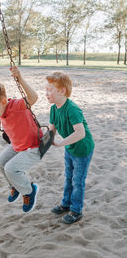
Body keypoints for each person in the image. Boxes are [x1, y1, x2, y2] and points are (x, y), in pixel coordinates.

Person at [0, 66, 42, 213]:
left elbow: (34, 98)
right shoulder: (0, 110)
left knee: (11, 168)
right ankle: (15, 186)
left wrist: (20, 79)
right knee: (0, 163)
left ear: (4, 101)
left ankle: (29, 190)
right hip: (18, 145)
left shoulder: (15, 106)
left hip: (34, 146)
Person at [45, 72, 94, 224]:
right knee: (68, 177)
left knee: (78, 180)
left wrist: (61, 143)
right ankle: (66, 204)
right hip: (70, 147)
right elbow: (52, 129)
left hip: (82, 149)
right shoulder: (54, 109)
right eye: (45, 90)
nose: (46, 94)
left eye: (50, 90)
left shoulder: (72, 109)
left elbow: (80, 133)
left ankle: (76, 210)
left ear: (62, 91)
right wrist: (45, 139)